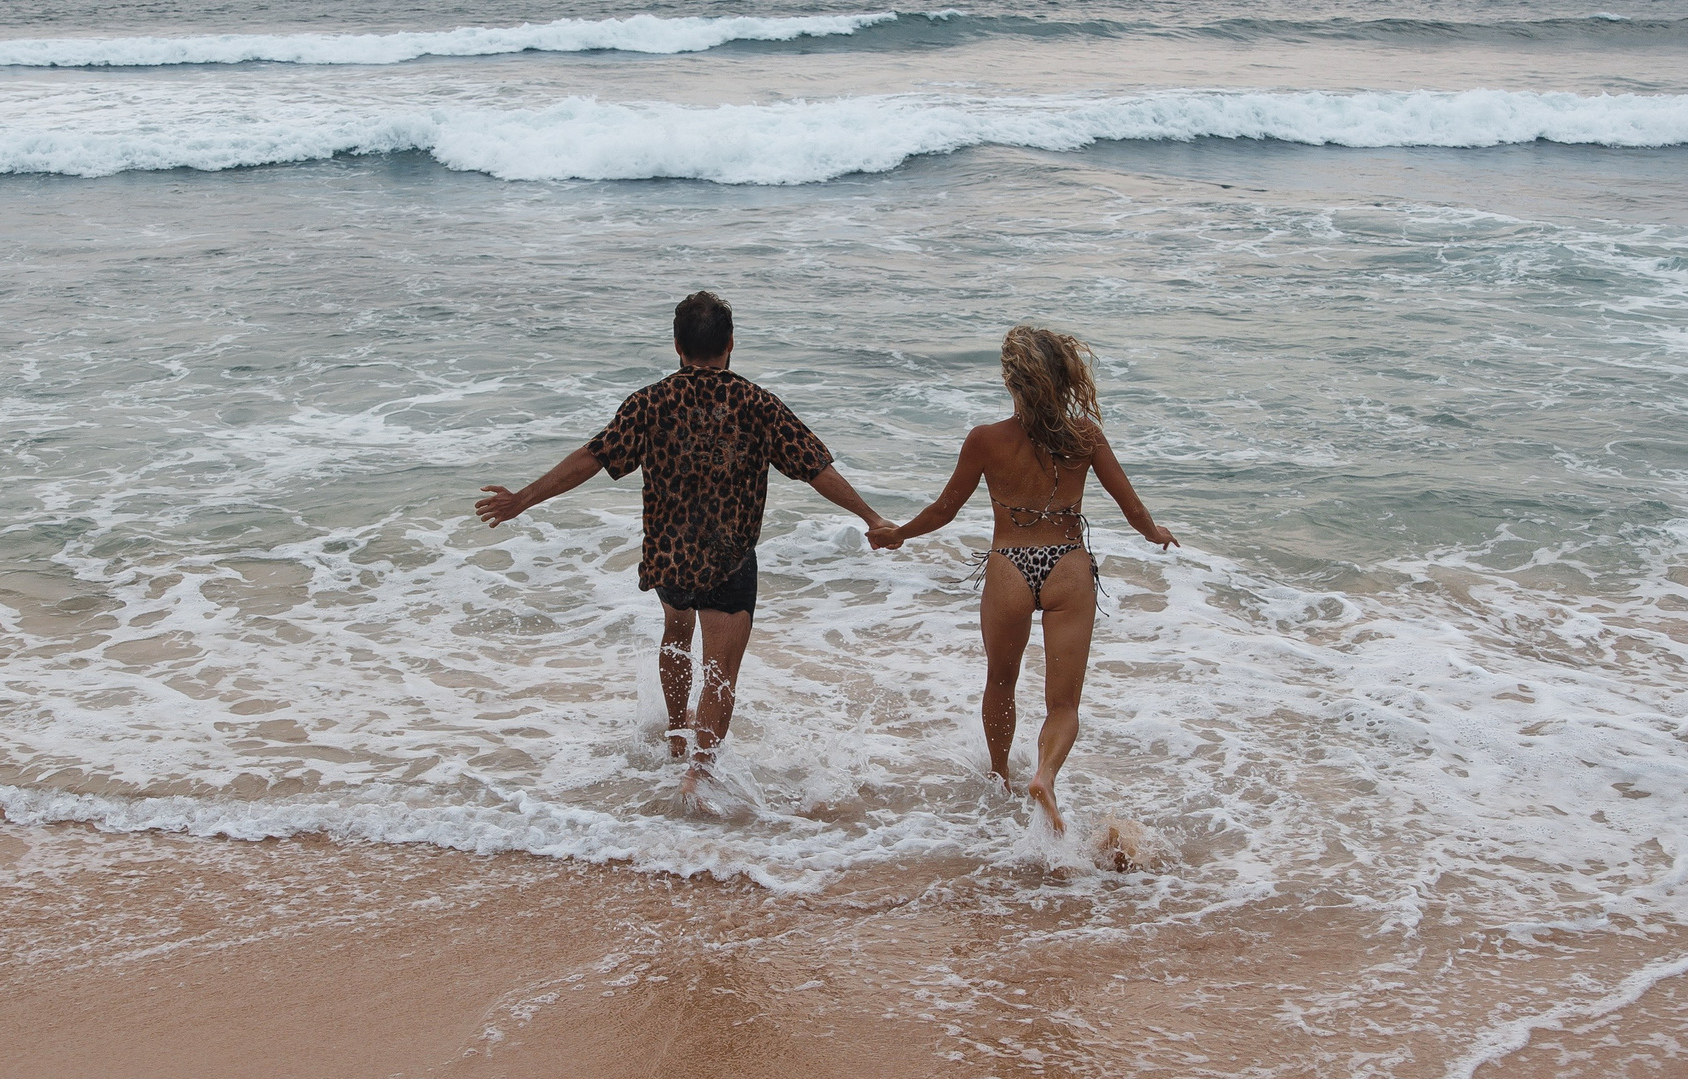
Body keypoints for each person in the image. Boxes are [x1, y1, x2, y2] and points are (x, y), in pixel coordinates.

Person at [475, 291, 894, 809]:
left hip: (669, 556)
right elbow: (815, 467)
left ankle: (677, 732)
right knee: (720, 669)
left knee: (677, 630)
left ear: (677, 346)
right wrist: (870, 516)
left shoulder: (650, 402)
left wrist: (524, 499)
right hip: (729, 557)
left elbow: (592, 457)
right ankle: (698, 773)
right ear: (731, 345)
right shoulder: (757, 403)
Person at [868, 326, 1176, 834]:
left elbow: (945, 510)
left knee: (1000, 682)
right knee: (1064, 703)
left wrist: (898, 533)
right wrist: (1156, 532)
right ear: (1062, 378)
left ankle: (998, 777)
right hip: (1068, 566)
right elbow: (1132, 508)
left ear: (1012, 381)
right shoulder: (1086, 436)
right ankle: (1045, 776)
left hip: (1010, 565)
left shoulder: (986, 439)